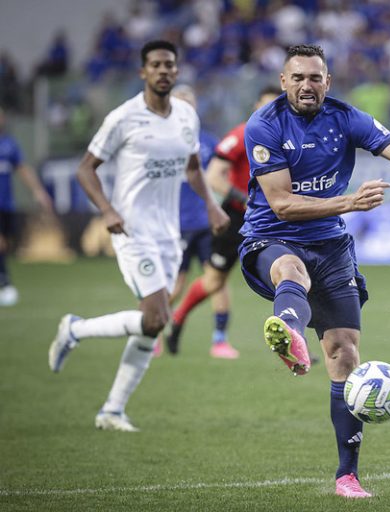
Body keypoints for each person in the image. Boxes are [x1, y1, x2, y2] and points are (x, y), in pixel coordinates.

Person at [239, 44, 390, 498]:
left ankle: (346, 476)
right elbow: (284, 205)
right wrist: (350, 202)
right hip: (271, 238)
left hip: (330, 246)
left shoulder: (346, 118)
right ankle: (289, 329)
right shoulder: (264, 125)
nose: (307, 86)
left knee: (346, 355)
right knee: (292, 272)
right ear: (284, 81)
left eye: (315, 78)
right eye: (298, 78)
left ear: (327, 83)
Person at [47, 40, 229, 432]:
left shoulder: (186, 116)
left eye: (170, 65)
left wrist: (212, 205)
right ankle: (75, 330)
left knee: (152, 325)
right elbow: (85, 169)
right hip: (132, 230)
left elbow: (194, 167)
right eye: (156, 65)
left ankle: (112, 409)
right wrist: (108, 210)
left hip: (169, 234)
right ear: (143, 72)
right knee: (157, 314)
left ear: (177, 72)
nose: (164, 71)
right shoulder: (123, 117)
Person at [165, 85, 282, 358]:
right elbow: (214, 177)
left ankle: (295, 341)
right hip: (237, 218)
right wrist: (248, 200)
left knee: (289, 273)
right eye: (264, 106)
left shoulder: (288, 138)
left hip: (274, 218)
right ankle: (178, 318)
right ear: (255, 107)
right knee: (214, 280)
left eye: (275, 106)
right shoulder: (241, 135)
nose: (269, 112)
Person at [154, 84, 238, 359]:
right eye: (180, 104)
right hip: (174, 225)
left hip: (207, 223)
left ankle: (220, 339)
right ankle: (152, 333)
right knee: (174, 285)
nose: (185, 109)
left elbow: (221, 174)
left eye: (190, 104)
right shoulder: (158, 142)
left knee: (218, 281)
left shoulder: (210, 141)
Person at [0, 107, 55, 306]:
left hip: (6, 204)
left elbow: (23, 169)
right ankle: (6, 283)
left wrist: (39, 192)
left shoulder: (9, 144)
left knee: (5, 244)